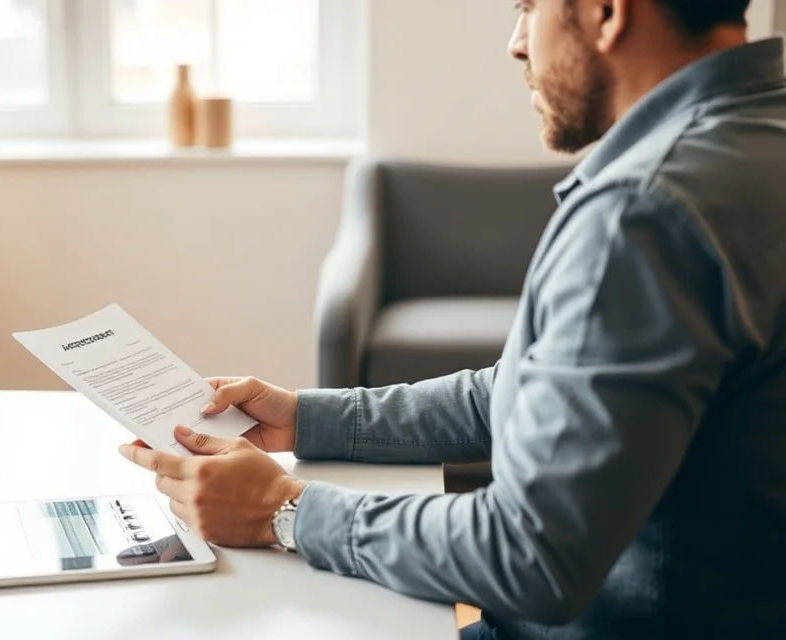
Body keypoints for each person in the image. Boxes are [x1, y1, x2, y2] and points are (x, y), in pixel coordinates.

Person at [118, 0, 786, 638]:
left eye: (528, 7)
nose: (516, 43)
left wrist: (284, 511)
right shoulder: (757, 145)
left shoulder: (641, 213)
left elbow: (533, 557)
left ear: (606, 12)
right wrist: (309, 417)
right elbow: (530, 391)